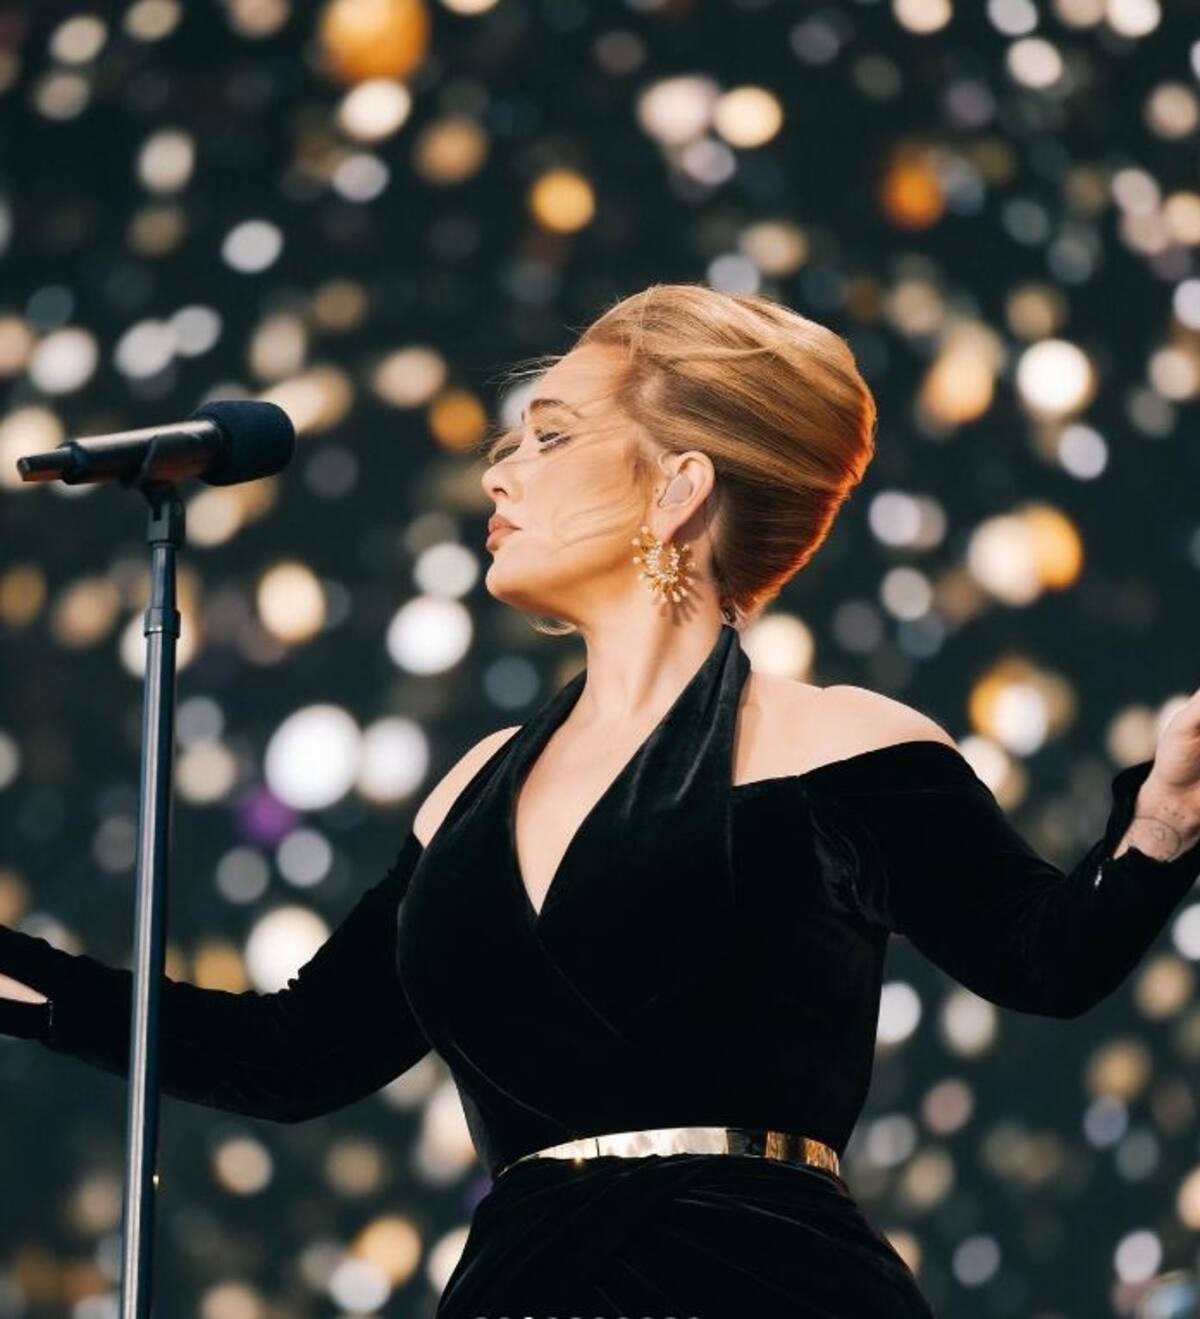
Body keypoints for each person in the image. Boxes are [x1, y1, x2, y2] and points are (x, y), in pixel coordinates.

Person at [3, 284, 1200, 1318]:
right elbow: (291, 1056)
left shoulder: (842, 744)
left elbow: (1048, 958)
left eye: (551, 434)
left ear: (679, 487)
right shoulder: (471, 789)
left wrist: (1165, 818)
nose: (498, 469)